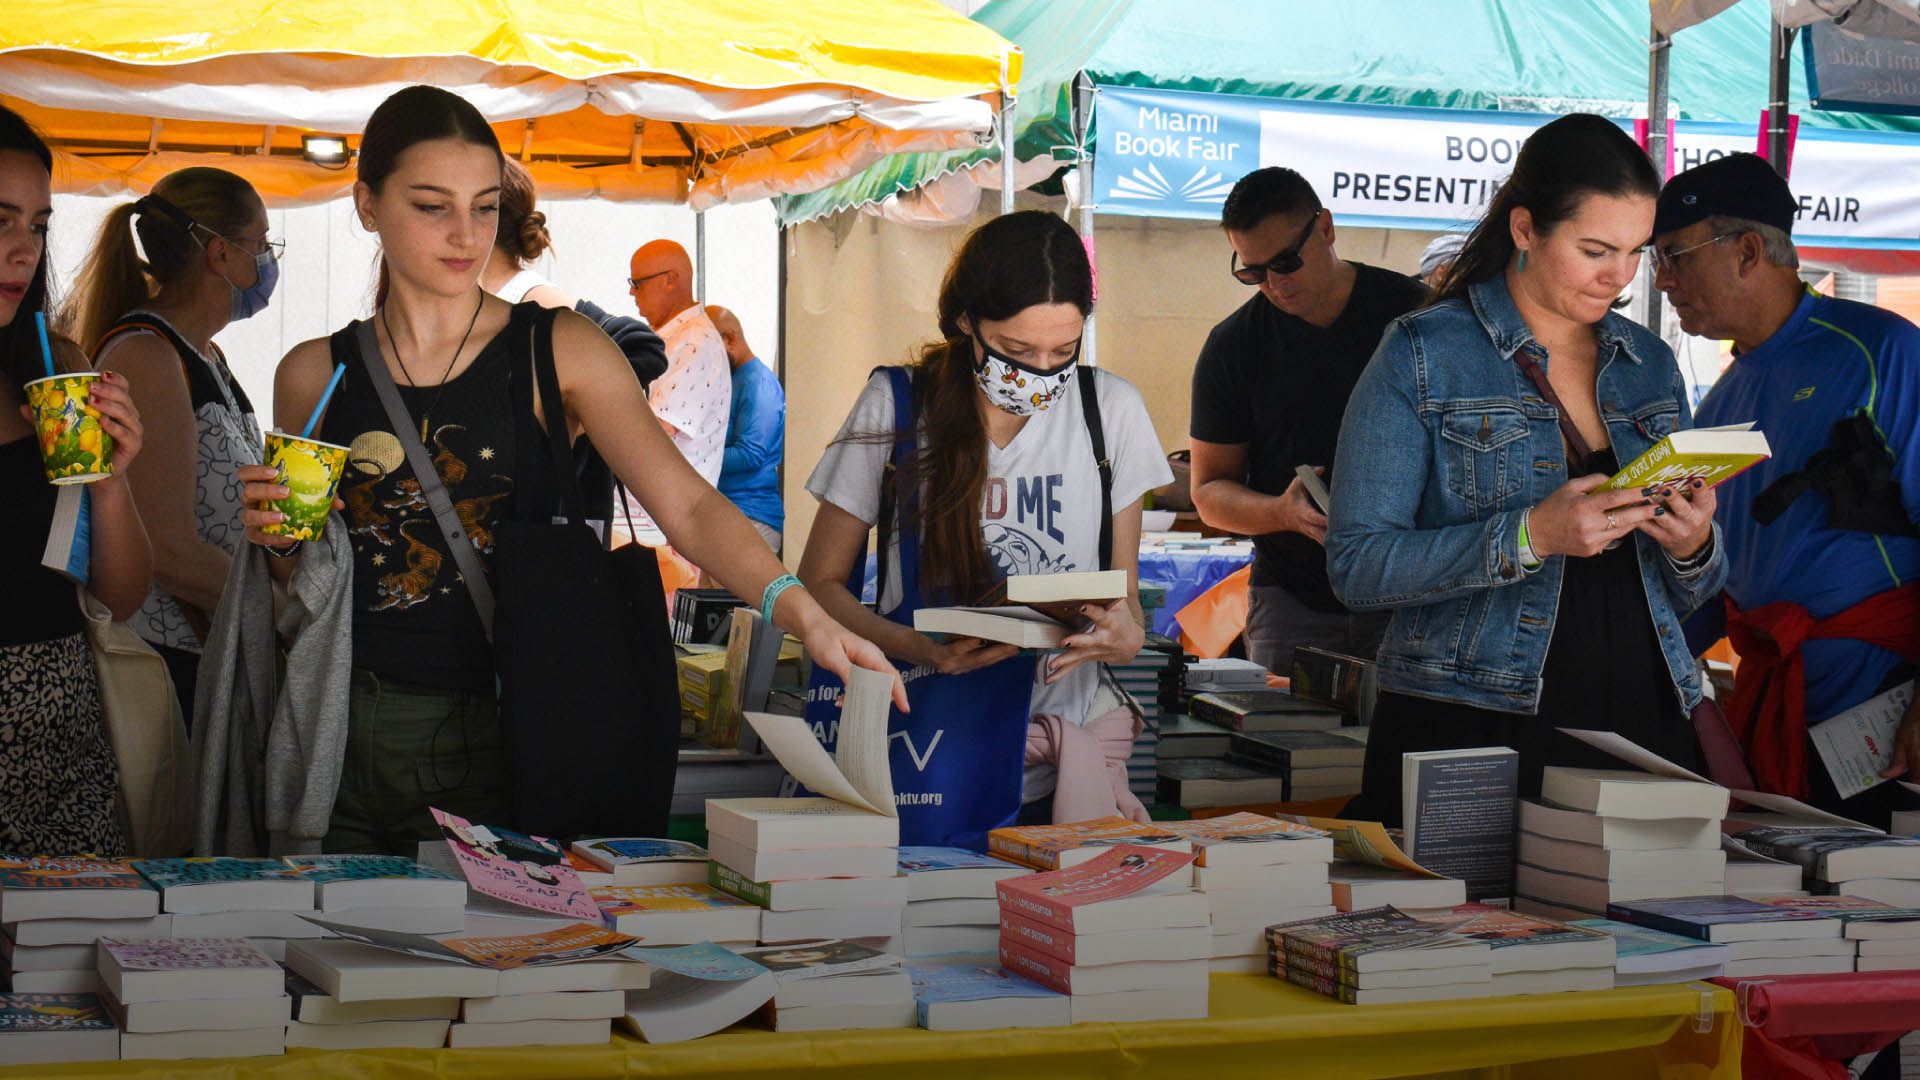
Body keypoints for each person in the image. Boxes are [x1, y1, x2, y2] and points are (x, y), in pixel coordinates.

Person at [237, 85, 900, 854]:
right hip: (336, 725)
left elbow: (685, 504)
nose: (465, 234)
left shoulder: (559, 347)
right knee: (336, 962)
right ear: (367, 204)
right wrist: (279, 546)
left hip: (505, 723)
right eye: (431, 206)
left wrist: (799, 610)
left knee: (496, 962)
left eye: (484, 207)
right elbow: (305, 584)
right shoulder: (313, 375)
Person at [1324, 114, 1726, 823]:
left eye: (1637, 252)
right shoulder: (1421, 352)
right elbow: (1358, 567)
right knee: (1465, 929)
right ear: (1524, 229)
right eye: (1596, 249)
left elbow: (1688, 593)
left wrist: (1693, 545)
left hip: (1641, 712)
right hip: (1471, 718)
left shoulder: (1649, 364)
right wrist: (1529, 536)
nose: (1621, 276)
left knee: (1638, 930)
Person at [798, 210, 1172, 840]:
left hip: (1057, 768)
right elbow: (819, 585)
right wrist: (918, 648)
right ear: (966, 322)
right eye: (1017, 351)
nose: (1040, 372)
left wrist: (1123, 636)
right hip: (924, 745)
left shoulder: (1111, 410)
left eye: (1063, 350)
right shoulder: (899, 403)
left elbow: (1124, 601)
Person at [1657, 152, 1920, 825]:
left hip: (1888, 712)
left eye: (1676, 256)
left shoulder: (1882, 353)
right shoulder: (1716, 408)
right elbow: (1705, 589)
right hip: (1777, 715)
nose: (1662, 281)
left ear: (1747, 251)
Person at [1188, 167, 1428, 675]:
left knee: (1407, 752)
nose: (1274, 284)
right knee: (1287, 752)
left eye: (1285, 262)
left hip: (1414, 597)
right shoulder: (1234, 346)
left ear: (1325, 228)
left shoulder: (1417, 318)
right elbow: (1209, 491)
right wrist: (1283, 512)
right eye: (1252, 272)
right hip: (1292, 601)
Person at [64, 167, 272, 719]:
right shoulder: (147, 355)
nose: (268, 263)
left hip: (205, 653)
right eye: (262, 245)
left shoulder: (203, 354)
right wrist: (279, 611)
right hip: (166, 668)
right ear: (221, 254)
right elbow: (167, 550)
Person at [0, 104, 152, 854]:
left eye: (37, 225)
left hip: (60, 740)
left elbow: (119, 598)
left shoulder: (56, 364)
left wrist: (112, 481)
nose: (20, 250)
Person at [481, 157, 666, 527]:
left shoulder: (531, 297)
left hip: (551, 533)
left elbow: (641, 346)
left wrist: (568, 415)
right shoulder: (484, 297)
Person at [623, 239, 729, 543]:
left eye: (638, 283)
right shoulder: (672, 338)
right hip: (651, 521)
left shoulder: (694, 342)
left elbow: (658, 430)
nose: (632, 292)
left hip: (663, 527)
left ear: (671, 280)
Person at [707, 304, 784, 555]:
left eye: (707, 348)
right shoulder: (732, 379)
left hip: (750, 518)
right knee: (700, 594)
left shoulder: (759, 384)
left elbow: (750, 454)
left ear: (730, 339)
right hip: (726, 515)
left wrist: (694, 457)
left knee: (728, 595)